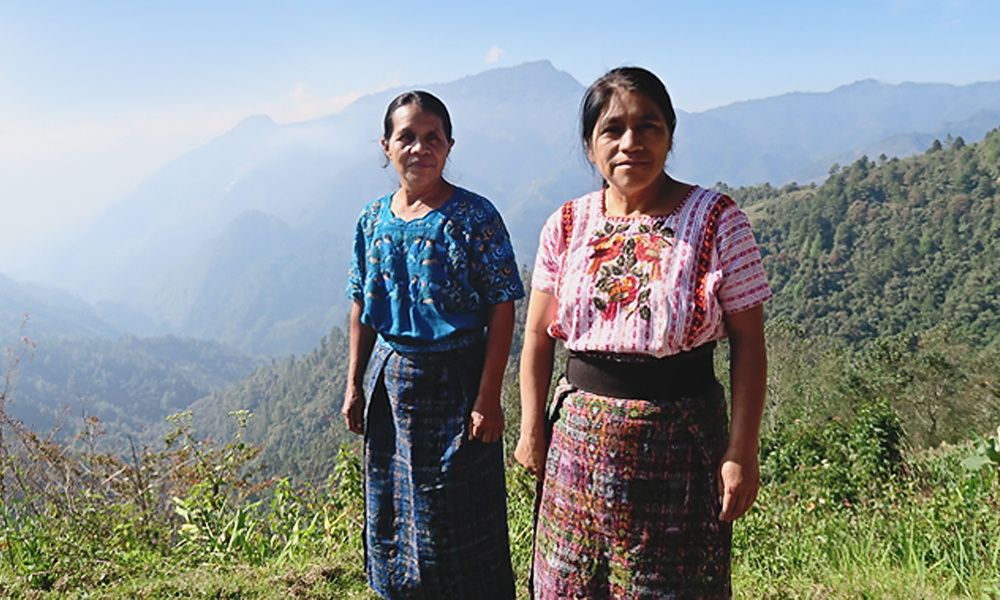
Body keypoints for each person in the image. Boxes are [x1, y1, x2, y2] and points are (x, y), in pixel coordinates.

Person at [515, 67, 771, 599]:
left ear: (670, 135)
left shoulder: (718, 220)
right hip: (577, 445)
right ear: (590, 146)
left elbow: (749, 345)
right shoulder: (565, 224)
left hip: (679, 443)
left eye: (648, 126)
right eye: (612, 129)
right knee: (571, 584)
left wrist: (741, 451)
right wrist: (532, 428)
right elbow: (538, 336)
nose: (630, 142)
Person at [342, 90, 522, 600]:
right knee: (393, 508)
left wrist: (489, 397)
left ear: (449, 146)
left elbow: (502, 307)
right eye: (407, 137)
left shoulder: (473, 217)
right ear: (386, 146)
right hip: (390, 388)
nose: (420, 148)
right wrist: (354, 384)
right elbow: (361, 303)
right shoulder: (371, 220)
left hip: (456, 382)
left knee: (455, 511)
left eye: (432, 138)